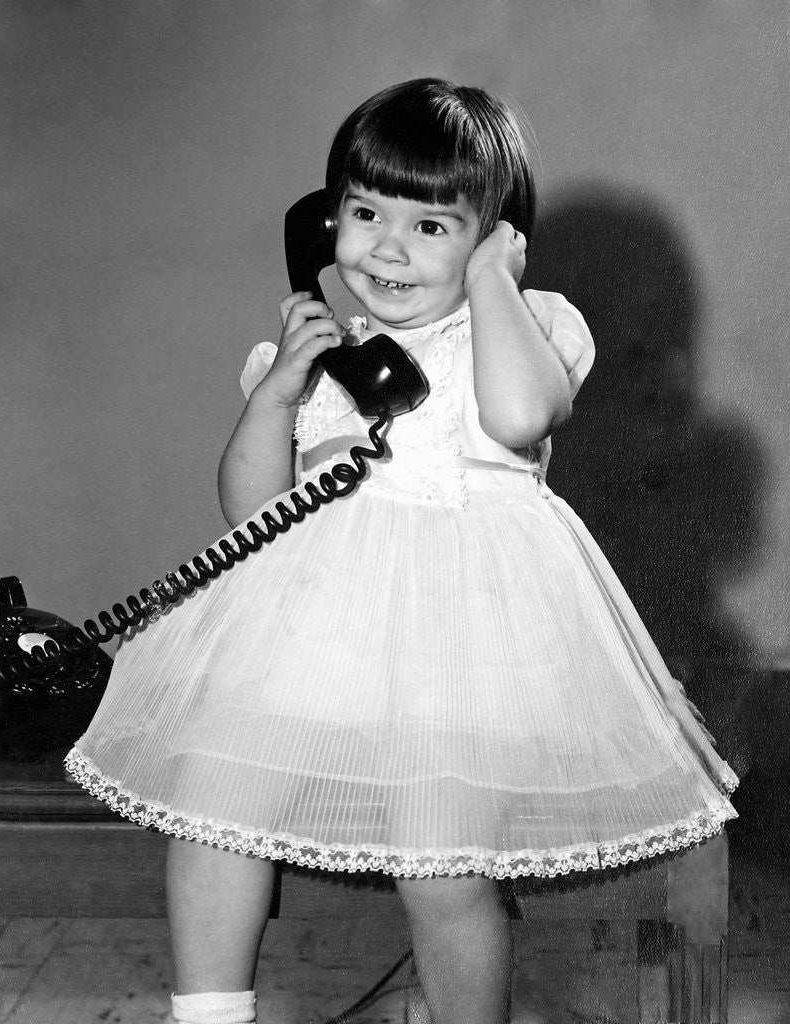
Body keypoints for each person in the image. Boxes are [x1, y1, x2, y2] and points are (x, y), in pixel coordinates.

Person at [65, 78, 738, 1024]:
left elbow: (517, 418)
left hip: (463, 648)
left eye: (432, 227)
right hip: (316, 633)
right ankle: (208, 1015)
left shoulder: (526, 326)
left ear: (493, 236)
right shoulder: (328, 355)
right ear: (327, 218)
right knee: (216, 813)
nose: (386, 246)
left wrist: (496, 283)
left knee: (442, 870)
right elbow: (251, 511)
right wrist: (278, 394)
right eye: (365, 212)